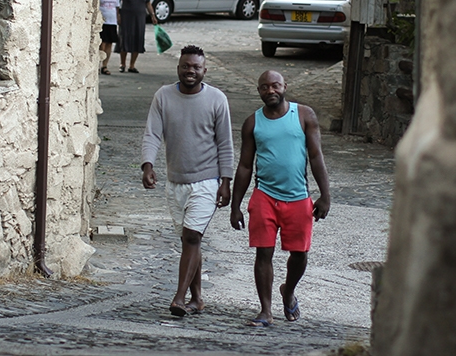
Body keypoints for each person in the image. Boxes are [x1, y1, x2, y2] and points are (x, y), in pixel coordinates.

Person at [227, 70, 331, 327]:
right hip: (264, 196)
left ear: (285, 86)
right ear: (259, 90)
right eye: (264, 87)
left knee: (299, 254)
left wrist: (325, 195)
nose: (270, 91)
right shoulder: (253, 123)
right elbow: (244, 166)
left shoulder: (305, 115)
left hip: (298, 198)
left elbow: (316, 157)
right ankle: (265, 310)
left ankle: (289, 290)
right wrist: (236, 206)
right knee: (264, 253)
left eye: (275, 86)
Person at [141, 45, 233, 317]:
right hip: (175, 181)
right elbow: (152, 134)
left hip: (207, 180)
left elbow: (225, 143)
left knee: (192, 235)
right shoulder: (163, 96)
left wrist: (225, 181)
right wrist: (148, 165)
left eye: (196, 67)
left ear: (204, 70)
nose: (190, 71)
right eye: (185, 66)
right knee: (189, 240)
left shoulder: (217, 99)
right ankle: (198, 298)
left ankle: (179, 298)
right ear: (178, 67)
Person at [118, 0, 158, 73]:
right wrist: (118, 15)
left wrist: (153, 15)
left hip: (139, 19)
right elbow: (118, 2)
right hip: (126, 18)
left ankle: (132, 65)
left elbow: (147, 2)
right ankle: (122, 64)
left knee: (137, 39)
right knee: (124, 39)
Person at [98, 0, 119, 75]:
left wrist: (118, 18)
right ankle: (98, 63)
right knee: (102, 44)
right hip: (103, 21)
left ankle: (105, 65)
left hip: (112, 21)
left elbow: (117, 7)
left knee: (109, 44)